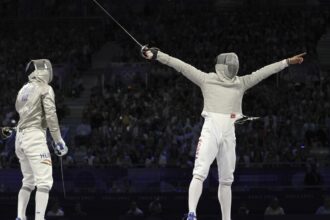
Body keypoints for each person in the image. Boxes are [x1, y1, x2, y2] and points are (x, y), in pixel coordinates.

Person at [142, 47, 305, 220]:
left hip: (228, 134)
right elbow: (180, 65)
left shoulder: (237, 82)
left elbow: (264, 72)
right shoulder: (212, 80)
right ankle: (192, 213)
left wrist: (287, 62)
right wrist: (157, 55)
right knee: (200, 173)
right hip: (211, 130)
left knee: (226, 181)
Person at [15, 59, 68, 220]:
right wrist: (58, 140)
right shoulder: (45, 88)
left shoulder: (23, 89)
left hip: (20, 137)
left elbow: (21, 110)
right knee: (44, 182)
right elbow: (51, 115)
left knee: (28, 181)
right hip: (34, 137)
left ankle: (20, 217)